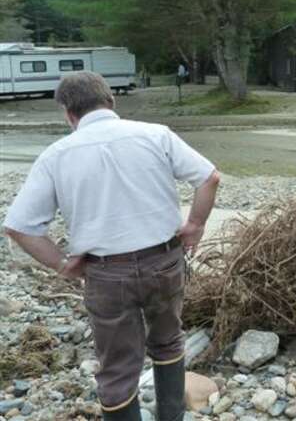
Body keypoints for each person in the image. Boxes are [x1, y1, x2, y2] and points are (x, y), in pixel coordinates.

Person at [3, 71, 220, 421]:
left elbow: (19, 227)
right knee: (168, 342)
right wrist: (194, 225)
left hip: (106, 273)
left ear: (68, 113)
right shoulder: (155, 135)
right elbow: (209, 177)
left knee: (117, 369)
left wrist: (62, 264)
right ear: (111, 101)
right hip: (164, 261)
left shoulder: (56, 155)